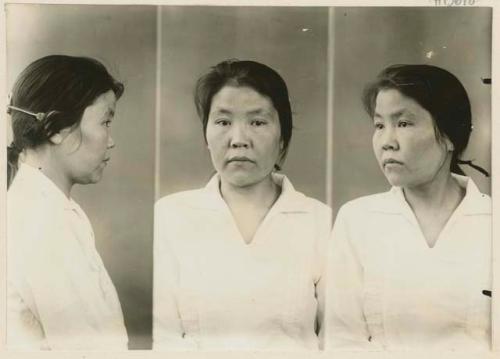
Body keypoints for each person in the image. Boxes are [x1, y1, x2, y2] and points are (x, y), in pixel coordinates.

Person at [153, 60, 332, 350]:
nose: (239, 140)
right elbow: (163, 339)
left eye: (258, 122)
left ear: (283, 139)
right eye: (223, 122)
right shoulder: (170, 216)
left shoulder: (321, 221)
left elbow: (337, 342)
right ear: (206, 136)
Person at [325, 64, 491, 350]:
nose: (387, 142)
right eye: (379, 125)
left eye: (403, 124)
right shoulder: (358, 221)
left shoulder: (490, 221)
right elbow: (342, 342)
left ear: (450, 135)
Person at [7, 55, 128, 350]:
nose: (110, 140)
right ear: (56, 129)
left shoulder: (41, 206)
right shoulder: (44, 221)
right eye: (105, 121)